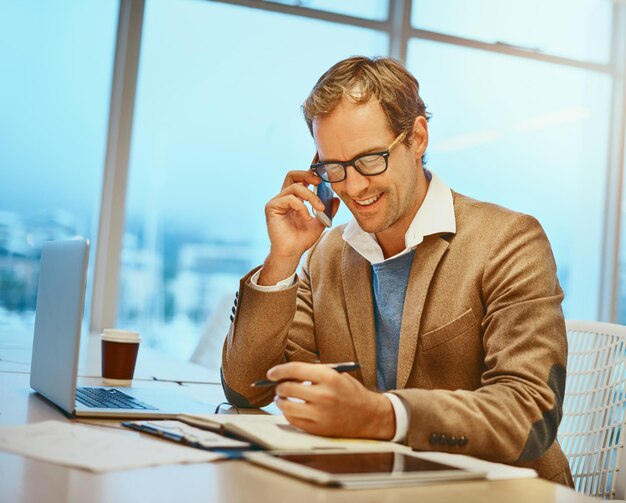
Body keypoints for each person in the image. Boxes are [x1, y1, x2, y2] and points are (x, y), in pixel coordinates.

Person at [221, 56, 572, 485]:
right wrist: (282, 260)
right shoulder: (326, 252)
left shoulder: (509, 240)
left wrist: (381, 415)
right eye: (335, 167)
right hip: (370, 486)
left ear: (418, 137)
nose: (353, 187)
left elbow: (529, 413)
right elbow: (246, 388)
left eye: (370, 159)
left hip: (495, 492)